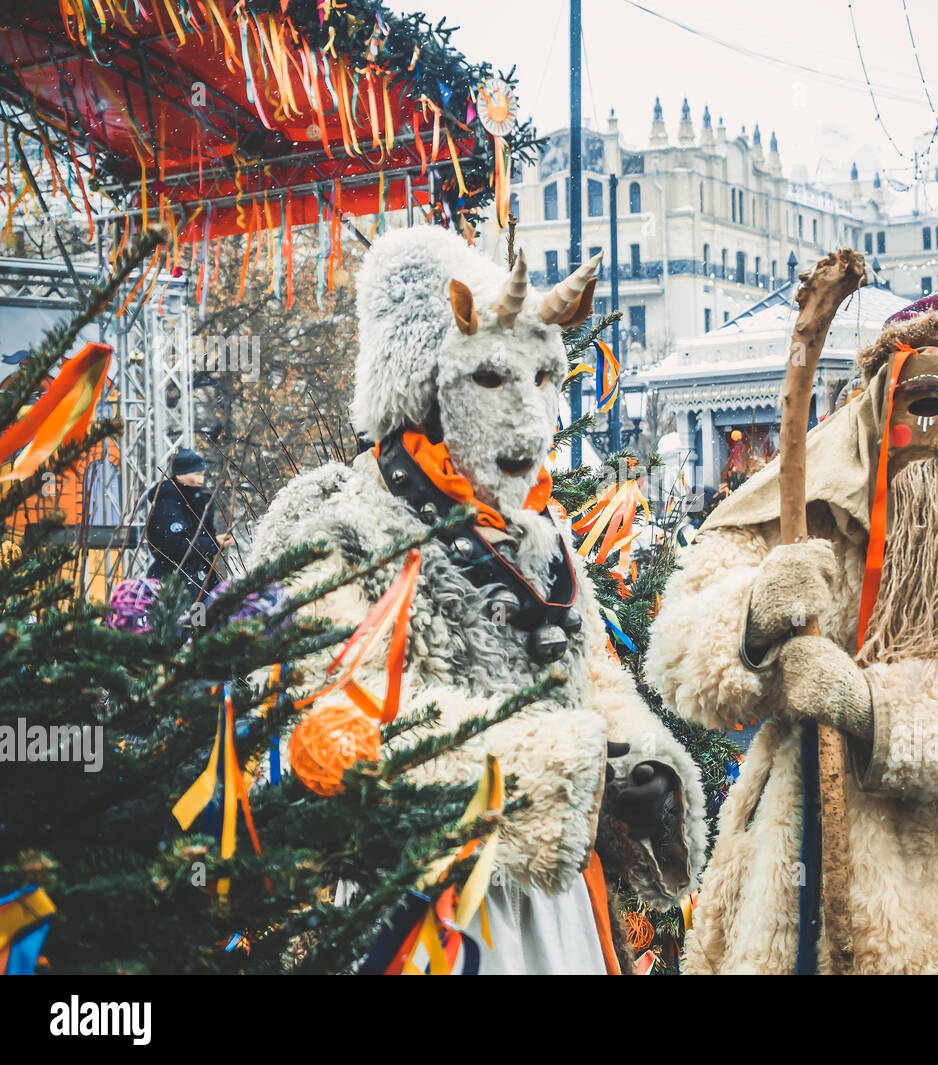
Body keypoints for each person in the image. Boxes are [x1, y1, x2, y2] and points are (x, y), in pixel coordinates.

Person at [249, 226, 706, 974]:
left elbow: (597, 678)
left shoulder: (540, 536)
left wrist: (639, 767)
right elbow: (335, 730)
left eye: (543, 378)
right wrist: (548, 773)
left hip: (564, 908)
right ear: (426, 381)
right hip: (421, 909)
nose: (532, 420)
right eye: (493, 380)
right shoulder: (341, 528)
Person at [646, 273, 938, 974]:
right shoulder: (810, 507)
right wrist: (754, 618)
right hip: (780, 890)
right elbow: (678, 649)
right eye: (925, 405)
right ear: (881, 408)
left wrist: (873, 710)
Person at [145, 449, 233, 596]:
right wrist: (214, 543)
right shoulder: (169, 501)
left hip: (196, 580)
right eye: (197, 474)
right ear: (180, 475)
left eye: (202, 474)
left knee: (201, 617)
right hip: (175, 583)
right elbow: (173, 545)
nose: (202, 480)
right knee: (187, 618)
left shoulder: (199, 501)